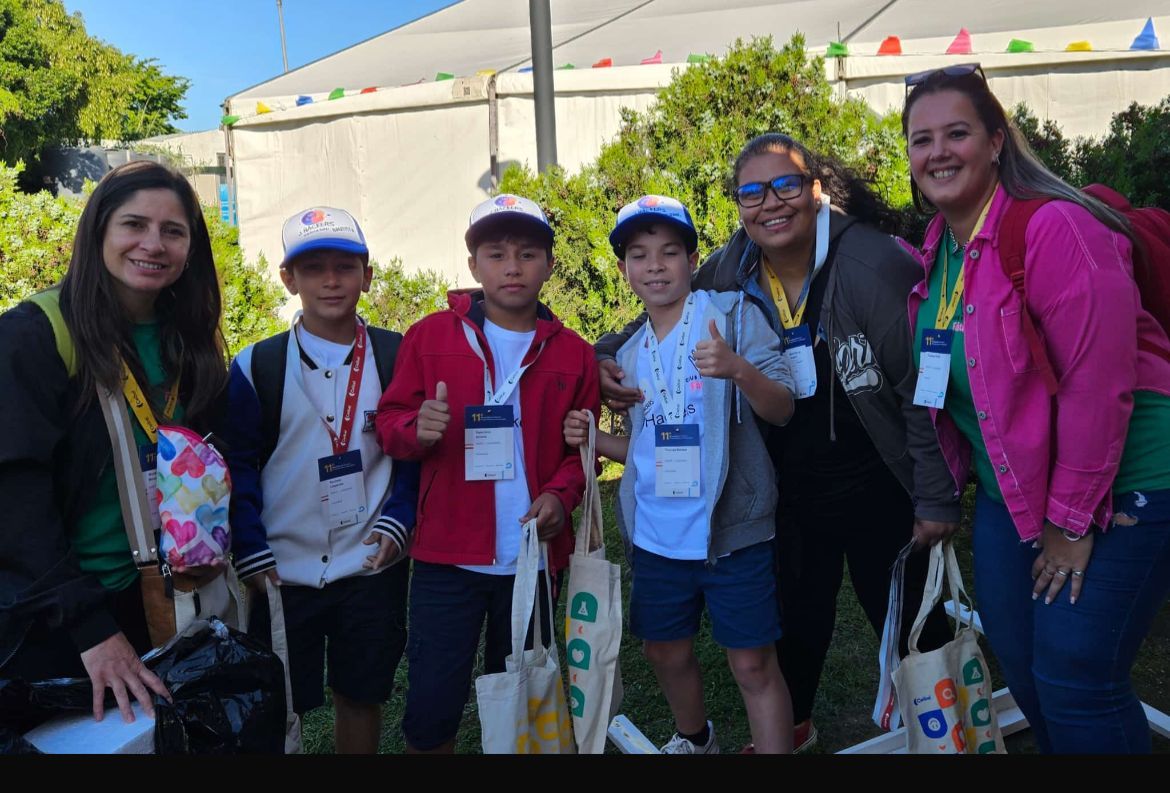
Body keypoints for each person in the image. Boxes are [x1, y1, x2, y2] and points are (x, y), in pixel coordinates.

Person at [595, 135, 958, 750]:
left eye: (786, 186)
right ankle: (789, 734)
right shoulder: (729, 267)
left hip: (877, 478)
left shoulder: (870, 265)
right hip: (788, 487)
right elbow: (657, 316)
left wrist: (934, 495)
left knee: (908, 621)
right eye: (752, 192)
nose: (771, 204)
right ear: (737, 203)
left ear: (815, 190)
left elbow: (919, 386)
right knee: (796, 620)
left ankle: (950, 729)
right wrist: (600, 358)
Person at [902, 63, 1170, 753]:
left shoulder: (1054, 228)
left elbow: (1100, 383)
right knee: (1025, 671)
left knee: (1077, 673)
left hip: (1122, 474)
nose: (937, 152)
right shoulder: (942, 249)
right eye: (921, 139)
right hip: (1014, 488)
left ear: (996, 142)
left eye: (956, 133)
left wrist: (1071, 522)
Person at [566, 195, 797, 753]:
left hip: (731, 532)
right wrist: (592, 438)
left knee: (752, 664)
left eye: (670, 252)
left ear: (693, 259)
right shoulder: (631, 351)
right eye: (640, 255)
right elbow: (648, 447)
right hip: (657, 536)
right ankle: (696, 741)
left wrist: (738, 369)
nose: (655, 266)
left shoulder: (733, 316)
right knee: (663, 651)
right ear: (624, 270)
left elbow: (784, 406)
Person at [0, 160, 228, 723]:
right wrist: (89, 627)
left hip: (166, 596)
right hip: (64, 613)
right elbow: (13, 496)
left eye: (173, 231)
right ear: (99, 230)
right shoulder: (36, 335)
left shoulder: (188, 337)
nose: (153, 244)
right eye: (134, 224)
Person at [376, 194, 600, 753]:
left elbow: (584, 451)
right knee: (432, 707)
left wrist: (559, 494)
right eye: (496, 254)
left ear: (549, 265)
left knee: (528, 700)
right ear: (474, 265)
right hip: (446, 559)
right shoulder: (428, 337)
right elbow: (390, 423)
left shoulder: (574, 353)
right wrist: (417, 428)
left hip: (530, 557)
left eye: (527, 254)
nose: (512, 266)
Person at [225, 206, 416, 754]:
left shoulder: (397, 354)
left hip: (371, 562)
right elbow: (238, 466)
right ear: (289, 278)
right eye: (313, 269)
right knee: (276, 702)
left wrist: (400, 517)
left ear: (367, 275)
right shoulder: (255, 364)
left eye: (344, 266)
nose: (331, 281)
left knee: (361, 694)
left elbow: (414, 457)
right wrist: (251, 548)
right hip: (281, 572)